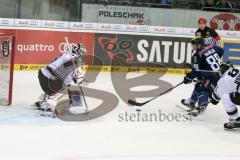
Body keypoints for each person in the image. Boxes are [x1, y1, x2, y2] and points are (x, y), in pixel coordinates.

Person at [33, 42, 87, 115]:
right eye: (82, 52)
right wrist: (80, 80)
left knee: (56, 86)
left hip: (42, 75)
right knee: (62, 90)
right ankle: (48, 106)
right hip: (50, 79)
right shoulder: (74, 61)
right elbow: (74, 80)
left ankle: (42, 102)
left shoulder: (65, 54)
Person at [181, 37, 224, 116]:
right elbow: (222, 50)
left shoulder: (197, 55)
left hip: (212, 77)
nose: (192, 46)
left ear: (199, 45)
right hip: (220, 74)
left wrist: (188, 77)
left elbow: (196, 72)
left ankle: (202, 106)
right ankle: (192, 101)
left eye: (194, 45)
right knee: (199, 83)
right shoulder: (211, 46)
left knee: (203, 87)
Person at [210, 61, 240, 130]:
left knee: (225, 97)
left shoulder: (222, 80)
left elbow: (216, 97)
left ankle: (235, 119)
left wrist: (213, 99)